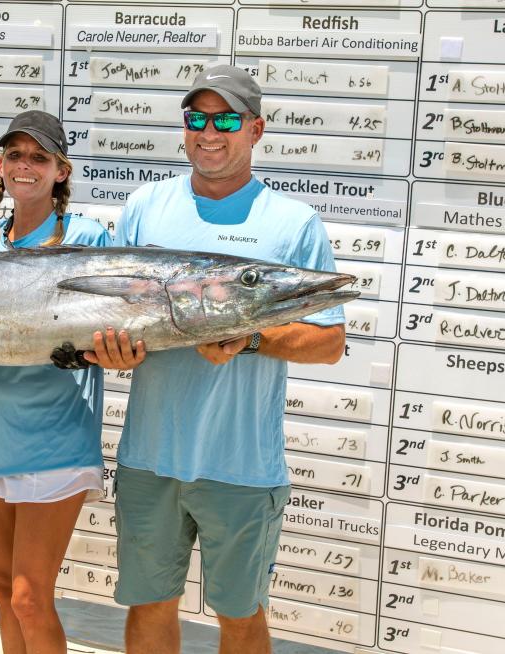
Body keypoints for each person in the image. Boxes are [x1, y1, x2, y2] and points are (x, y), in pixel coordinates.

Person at [98, 65, 347, 654]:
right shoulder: (143, 208)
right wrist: (115, 353)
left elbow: (329, 341)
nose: (211, 132)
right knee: (150, 604)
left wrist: (251, 339)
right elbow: (112, 318)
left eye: (228, 119)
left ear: (256, 129)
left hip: (241, 466)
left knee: (239, 614)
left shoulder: (292, 222)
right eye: (198, 118)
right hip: (149, 458)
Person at [0, 110, 111, 654]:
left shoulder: (88, 238)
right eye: (15, 156)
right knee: (2, 592)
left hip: (58, 441)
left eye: (39, 158)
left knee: (30, 596)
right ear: (1, 165)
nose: (26, 166)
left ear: (61, 171)